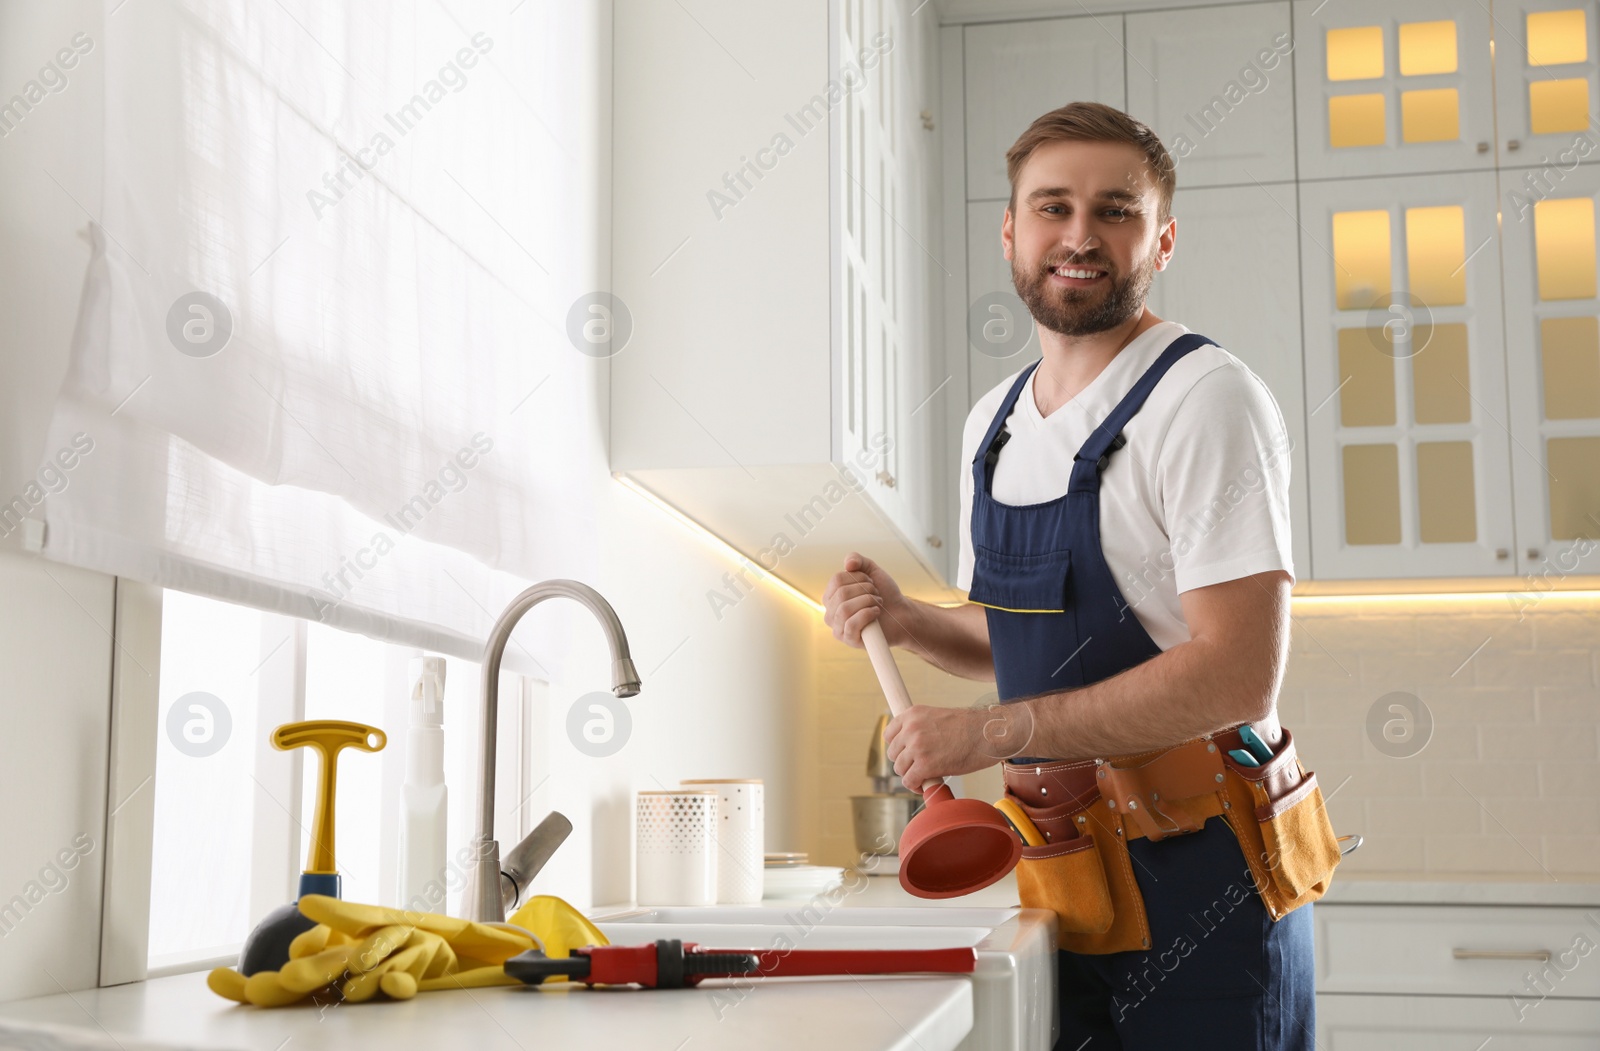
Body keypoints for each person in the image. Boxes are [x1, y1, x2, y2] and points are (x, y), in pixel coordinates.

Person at [823, 102, 1324, 1050]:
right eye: (1052, 207)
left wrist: (990, 731)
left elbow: (1236, 673)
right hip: (1066, 868)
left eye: (1116, 211)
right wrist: (911, 618)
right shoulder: (993, 424)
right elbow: (1030, 634)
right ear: (1011, 230)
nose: (1080, 235)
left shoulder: (1205, 400)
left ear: (1163, 238)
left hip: (1204, 871)